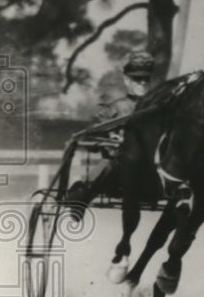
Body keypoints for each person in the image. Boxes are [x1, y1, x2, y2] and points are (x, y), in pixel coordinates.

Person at [66, 51, 154, 218]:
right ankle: (81, 196)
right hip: (117, 175)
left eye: (146, 79)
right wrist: (109, 140)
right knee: (113, 163)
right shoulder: (113, 109)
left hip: (150, 173)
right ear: (127, 80)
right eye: (137, 79)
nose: (142, 83)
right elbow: (91, 136)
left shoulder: (161, 109)